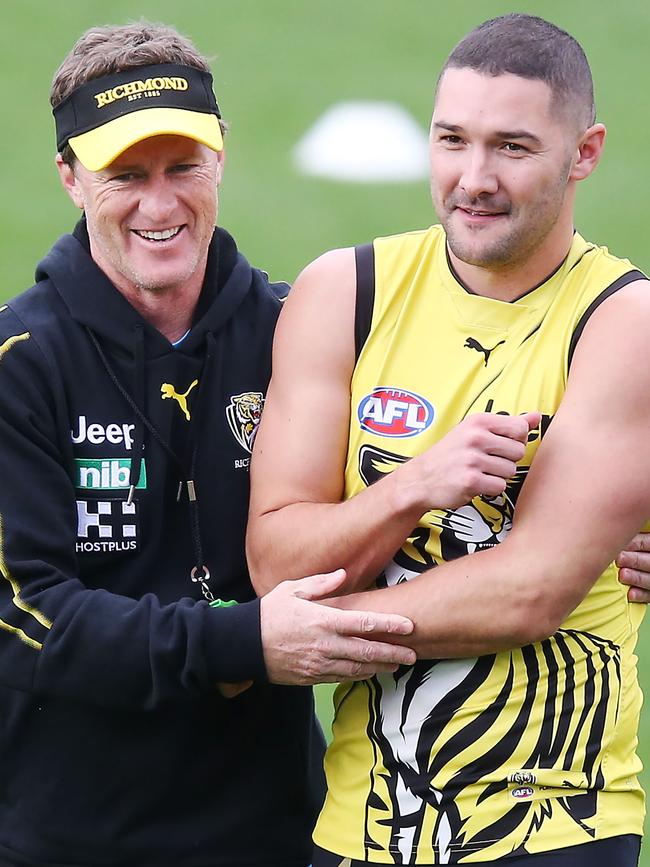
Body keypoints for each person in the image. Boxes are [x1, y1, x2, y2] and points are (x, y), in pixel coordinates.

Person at [0, 22, 426, 867]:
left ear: (221, 154)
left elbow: (424, 498)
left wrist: (596, 535)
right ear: (71, 179)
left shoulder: (300, 336)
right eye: (125, 175)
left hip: (278, 836)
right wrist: (243, 643)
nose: (160, 206)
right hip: (70, 844)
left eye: (182, 167)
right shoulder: (21, 364)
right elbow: (26, 614)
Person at [247, 14, 650, 866]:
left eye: (512, 146)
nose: (474, 179)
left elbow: (527, 593)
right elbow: (276, 561)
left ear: (585, 152)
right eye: (451, 140)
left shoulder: (623, 323)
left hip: (553, 826)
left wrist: (295, 635)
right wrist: (408, 487)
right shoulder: (343, 292)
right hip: (360, 824)